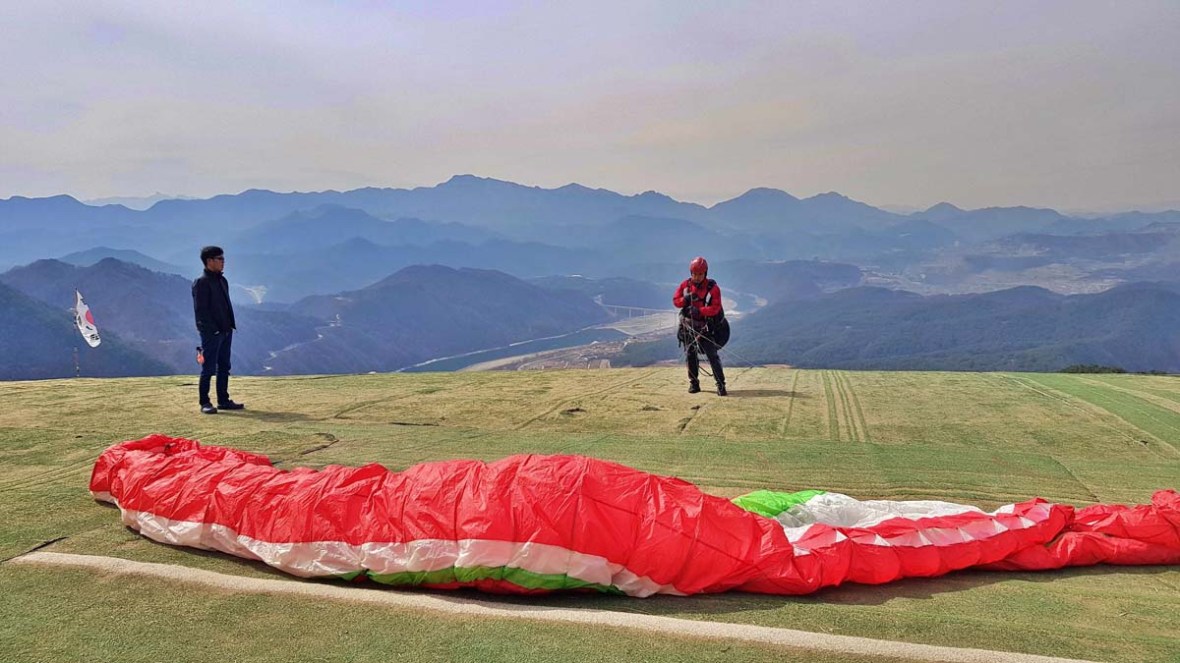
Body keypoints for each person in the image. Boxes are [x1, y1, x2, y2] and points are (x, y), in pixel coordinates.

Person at [192, 246, 243, 414]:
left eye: (223, 258)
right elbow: (201, 311)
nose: (223, 261)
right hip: (211, 334)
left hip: (226, 331)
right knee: (208, 368)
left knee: (224, 366)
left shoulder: (222, 280)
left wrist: (229, 327)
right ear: (209, 261)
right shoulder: (201, 283)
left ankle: (223, 400)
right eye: (219, 258)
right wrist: (212, 330)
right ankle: (204, 402)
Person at [673, 256, 727, 396]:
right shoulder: (685, 286)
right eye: (694, 274)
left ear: (705, 273)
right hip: (689, 328)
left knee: (712, 356)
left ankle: (721, 385)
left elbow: (715, 308)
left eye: (700, 274)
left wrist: (700, 311)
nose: (697, 277)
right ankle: (694, 383)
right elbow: (676, 301)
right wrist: (684, 299)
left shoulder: (713, 289)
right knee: (690, 355)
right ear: (691, 273)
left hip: (706, 328)